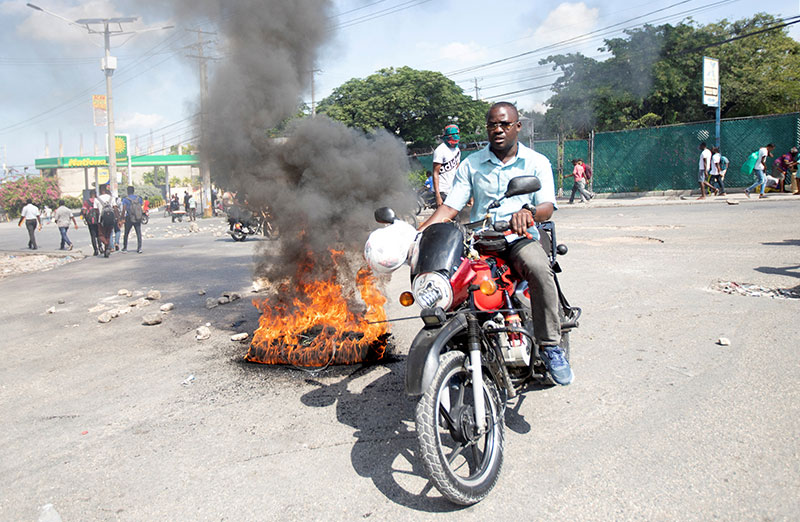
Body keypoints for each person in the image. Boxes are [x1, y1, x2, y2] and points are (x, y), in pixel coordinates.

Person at [419, 101, 573, 385]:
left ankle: (551, 346)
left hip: (519, 239)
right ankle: (457, 348)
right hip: (479, 243)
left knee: (539, 269)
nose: (498, 130)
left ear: (517, 127)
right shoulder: (472, 164)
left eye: (504, 124)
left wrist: (528, 214)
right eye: (492, 125)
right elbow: (450, 207)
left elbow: (548, 206)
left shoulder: (536, 162)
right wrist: (418, 232)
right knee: (446, 282)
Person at [431, 124, 462, 207]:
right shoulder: (440, 150)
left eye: (457, 134)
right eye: (452, 135)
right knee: (447, 217)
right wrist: (438, 196)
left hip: (452, 190)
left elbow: (457, 170)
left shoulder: (457, 150)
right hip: (442, 190)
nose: (455, 136)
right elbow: (435, 173)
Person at [94, 185, 118, 257]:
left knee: (101, 235)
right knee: (108, 234)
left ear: (100, 190)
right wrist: (117, 219)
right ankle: (107, 248)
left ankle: (106, 245)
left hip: (101, 220)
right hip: (111, 219)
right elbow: (115, 208)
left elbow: (96, 211)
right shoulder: (111, 198)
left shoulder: (97, 199)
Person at [121, 186, 144, 254]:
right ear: (133, 191)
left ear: (127, 191)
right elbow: (141, 205)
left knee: (126, 233)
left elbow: (124, 209)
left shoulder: (125, 199)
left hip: (129, 217)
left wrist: (122, 217)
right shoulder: (139, 198)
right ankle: (139, 248)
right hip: (137, 217)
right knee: (138, 233)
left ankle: (125, 248)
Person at [81, 190, 101, 256]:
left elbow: (84, 211)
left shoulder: (86, 202)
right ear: (95, 194)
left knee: (93, 235)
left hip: (90, 221)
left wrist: (85, 217)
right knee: (98, 235)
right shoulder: (98, 200)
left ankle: (95, 250)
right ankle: (100, 247)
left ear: (90, 195)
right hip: (98, 220)